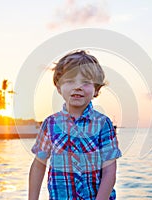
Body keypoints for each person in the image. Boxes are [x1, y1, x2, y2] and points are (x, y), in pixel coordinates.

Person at [29, 50, 122, 200]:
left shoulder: (103, 124)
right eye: (70, 81)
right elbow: (39, 165)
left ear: (96, 89)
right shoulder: (50, 124)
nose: (77, 87)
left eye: (86, 82)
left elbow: (110, 170)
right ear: (59, 88)